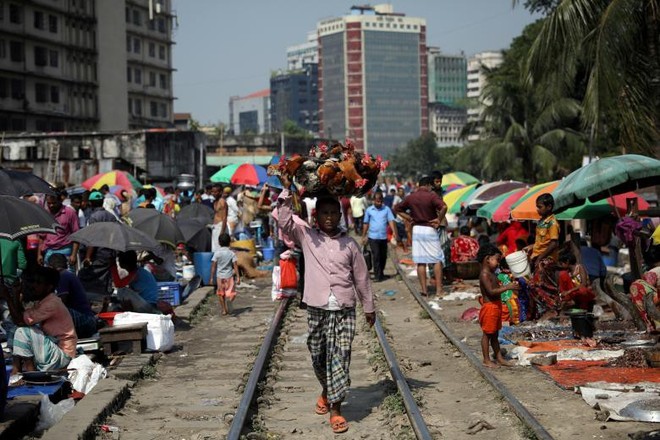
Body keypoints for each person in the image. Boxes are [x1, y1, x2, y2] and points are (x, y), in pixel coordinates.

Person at [276, 174, 375, 435]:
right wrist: (289, 190)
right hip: (317, 307)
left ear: (341, 216)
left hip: (344, 309)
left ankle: (336, 408)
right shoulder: (307, 237)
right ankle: (326, 389)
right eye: (325, 213)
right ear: (316, 216)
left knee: (340, 357)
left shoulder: (350, 245)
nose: (330, 217)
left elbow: (362, 277)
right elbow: (284, 219)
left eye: (334, 213)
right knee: (318, 355)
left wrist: (369, 307)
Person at [0, 266, 77, 373]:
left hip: (62, 355)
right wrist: (16, 295)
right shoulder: (43, 301)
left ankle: (31, 372)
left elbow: (21, 321)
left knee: (23, 331)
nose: (33, 286)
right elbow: (20, 317)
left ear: (49, 287)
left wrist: (8, 298)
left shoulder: (51, 303)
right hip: (52, 347)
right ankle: (17, 368)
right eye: (33, 282)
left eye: (38, 283)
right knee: (15, 329)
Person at [394, 176, 447, 297]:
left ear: (419, 185)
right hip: (430, 228)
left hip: (417, 230)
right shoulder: (432, 196)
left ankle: (424, 290)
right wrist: (439, 219)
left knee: (420, 261)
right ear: (428, 185)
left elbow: (397, 209)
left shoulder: (411, 197)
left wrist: (409, 218)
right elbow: (444, 206)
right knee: (437, 259)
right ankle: (439, 290)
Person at [477, 244, 518, 368]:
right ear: (488, 259)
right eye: (497, 260)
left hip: (496, 306)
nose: (498, 264)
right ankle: (486, 359)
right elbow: (491, 291)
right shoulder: (485, 274)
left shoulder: (492, 273)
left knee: (494, 334)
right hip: (490, 307)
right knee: (487, 334)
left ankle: (499, 357)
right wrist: (507, 287)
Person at [48, 254, 97, 338]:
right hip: (88, 320)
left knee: (55, 310)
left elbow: (61, 303)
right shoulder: (68, 275)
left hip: (85, 321)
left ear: (50, 266)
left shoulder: (62, 276)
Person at [39, 190, 80, 267]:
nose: (51, 205)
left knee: (66, 277)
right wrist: (39, 254)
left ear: (60, 201)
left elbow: (76, 235)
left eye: (54, 203)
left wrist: (73, 255)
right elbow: (42, 236)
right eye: (49, 203)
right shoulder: (45, 214)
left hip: (65, 251)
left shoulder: (70, 213)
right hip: (49, 251)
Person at [362, 191, 397, 282]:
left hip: (383, 237)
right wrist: (364, 235)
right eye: (377, 201)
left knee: (383, 256)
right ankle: (377, 276)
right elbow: (366, 223)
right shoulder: (369, 210)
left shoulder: (386, 209)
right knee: (376, 255)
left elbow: (391, 221)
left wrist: (394, 232)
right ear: (374, 200)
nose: (379, 203)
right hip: (373, 237)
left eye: (381, 201)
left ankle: (381, 273)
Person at [209, 233, 240, 316]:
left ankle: (223, 309)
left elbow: (213, 266)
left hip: (220, 277)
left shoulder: (217, 253)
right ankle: (230, 300)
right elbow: (235, 266)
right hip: (229, 276)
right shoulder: (231, 253)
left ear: (219, 242)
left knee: (220, 293)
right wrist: (238, 277)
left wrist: (211, 278)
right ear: (229, 242)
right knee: (231, 292)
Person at [526, 193, 560, 268]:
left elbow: (554, 244)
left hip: (547, 258)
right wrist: (531, 246)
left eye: (540, 207)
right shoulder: (541, 221)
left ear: (549, 207)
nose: (537, 209)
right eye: (537, 207)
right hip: (537, 256)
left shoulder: (552, 223)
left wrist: (540, 257)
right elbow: (542, 242)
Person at [211, 183, 228, 253]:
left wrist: (222, 232)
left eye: (215, 192)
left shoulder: (222, 202)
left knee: (220, 248)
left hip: (220, 226)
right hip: (215, 227)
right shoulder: (215, 202)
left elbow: (224, 218)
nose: (213, 193)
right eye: (212, 192)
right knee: (214, 249)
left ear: (220, 192)